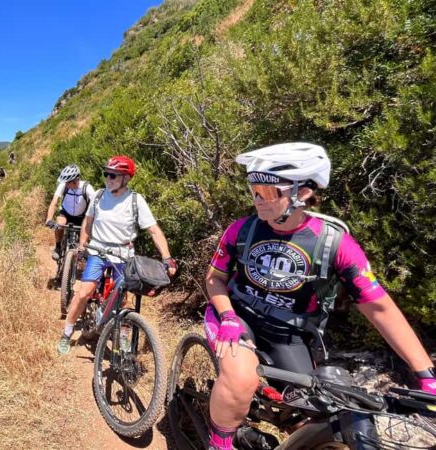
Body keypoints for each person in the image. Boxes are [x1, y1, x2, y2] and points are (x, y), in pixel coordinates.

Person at [203, 142, 436, 450]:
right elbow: (215, 278)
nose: (258, 199)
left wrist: (425, 373)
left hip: (288, 334)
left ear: (303, 193)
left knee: (320, 409)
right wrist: (228, 315)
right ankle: (219, 442)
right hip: (237, 317)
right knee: (242, 377)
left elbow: (379, 308)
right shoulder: (241, 230)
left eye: (269, 191)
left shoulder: (335, 244)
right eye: (253, 188)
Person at [57, 156, 177, 355]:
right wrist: (82, 246)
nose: (108, 178)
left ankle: (122, 335)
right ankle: (67, 333)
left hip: (122, 254)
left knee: (123, 300)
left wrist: (167, 257)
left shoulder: (135, 201)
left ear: (126, 178)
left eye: (113, 175)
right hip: (98, 250)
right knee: (85, 292)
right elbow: (88, 222)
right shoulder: (98, 196)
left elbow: (154, 230)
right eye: (106, 174)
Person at [45, 164, 96, 261]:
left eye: (68, 182)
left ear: (76, 180)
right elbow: (54, 202)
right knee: (59, 224)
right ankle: (58, 247)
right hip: (66, 214)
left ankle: (83, 251)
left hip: (82, 217)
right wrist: (49, 219)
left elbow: (95, 205)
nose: (66, 184)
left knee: (87, 235)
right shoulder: (63, 186)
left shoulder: (87, 188)